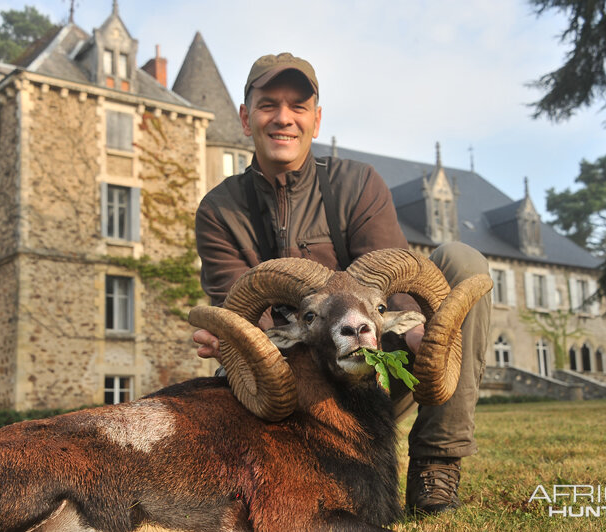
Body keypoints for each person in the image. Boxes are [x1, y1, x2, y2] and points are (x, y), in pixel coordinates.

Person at [192, 52, 491, 515]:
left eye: (298, 106)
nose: (283, 118)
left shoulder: (357, 184)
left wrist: (416, 332)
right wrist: (232, 340)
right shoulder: (219, 210)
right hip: (286, 389)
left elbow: (397, 290)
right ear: (246, 117)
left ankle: (436, 462)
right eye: (269, 104)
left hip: (370, 374)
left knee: (462, 259)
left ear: (316, 119)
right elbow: (241, 312)